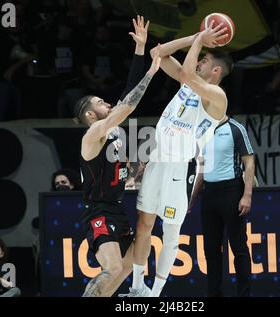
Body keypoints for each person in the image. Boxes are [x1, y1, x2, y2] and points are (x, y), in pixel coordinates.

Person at [124, 21, 234, 297]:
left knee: (170, 234)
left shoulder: (218, 96)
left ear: (216, 71)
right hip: (158, 160)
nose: (199, 62)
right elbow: (157, 55)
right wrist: (196, 36)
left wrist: (199, 42)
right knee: (144, 224)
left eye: (205, 60)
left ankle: (156, 293)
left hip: (180, 167)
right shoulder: (189, 82)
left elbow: (185, 73)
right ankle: (138, 288)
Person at [78, 16, 161, 297]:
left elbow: (127, 94)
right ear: (90, 115)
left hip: (116, 207)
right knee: (113, 269)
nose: (108, 103)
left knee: (126, 268)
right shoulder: (93, 135)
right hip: (98, 211)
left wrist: (139, 50)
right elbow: (127, 105)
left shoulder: (111, 128)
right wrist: (151, 71)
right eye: (100, 103)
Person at [188, 116, 255, 297]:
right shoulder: (202, 129)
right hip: (209, 194)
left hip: (232, 191)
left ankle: (244, 294)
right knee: (210, 249)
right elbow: (202, 168)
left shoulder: (236, 128)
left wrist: (247, 195)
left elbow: (249, 162)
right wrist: (191, 200)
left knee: (238, 247)